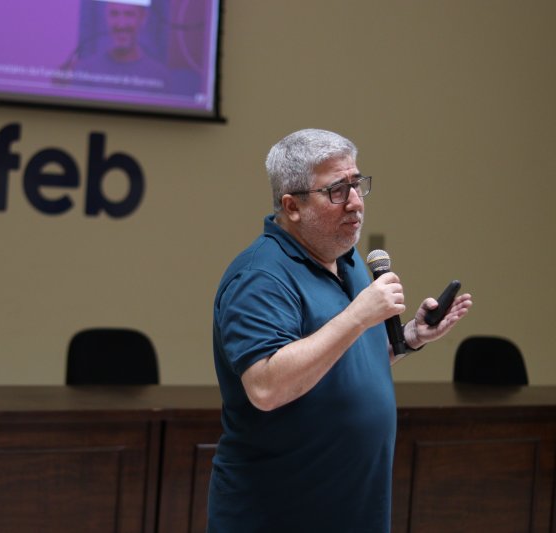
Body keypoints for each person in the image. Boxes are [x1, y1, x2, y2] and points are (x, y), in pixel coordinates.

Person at [207, 129, 473, 532]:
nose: (355, 202)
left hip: (354, 508)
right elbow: (266, 387)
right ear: (292, 206)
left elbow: (340, 362)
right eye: (336, 191)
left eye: (357, 184)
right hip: (280, 514)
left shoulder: (348, 261)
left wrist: (410, 338)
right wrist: (358, 316)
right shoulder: (260, 276)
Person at [67, 1, 170, 92]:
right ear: (106, 17)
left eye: (129, 14)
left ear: (143, 18)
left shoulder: (159, 75)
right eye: (114, 14)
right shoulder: (85, 70)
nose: (121, 25)